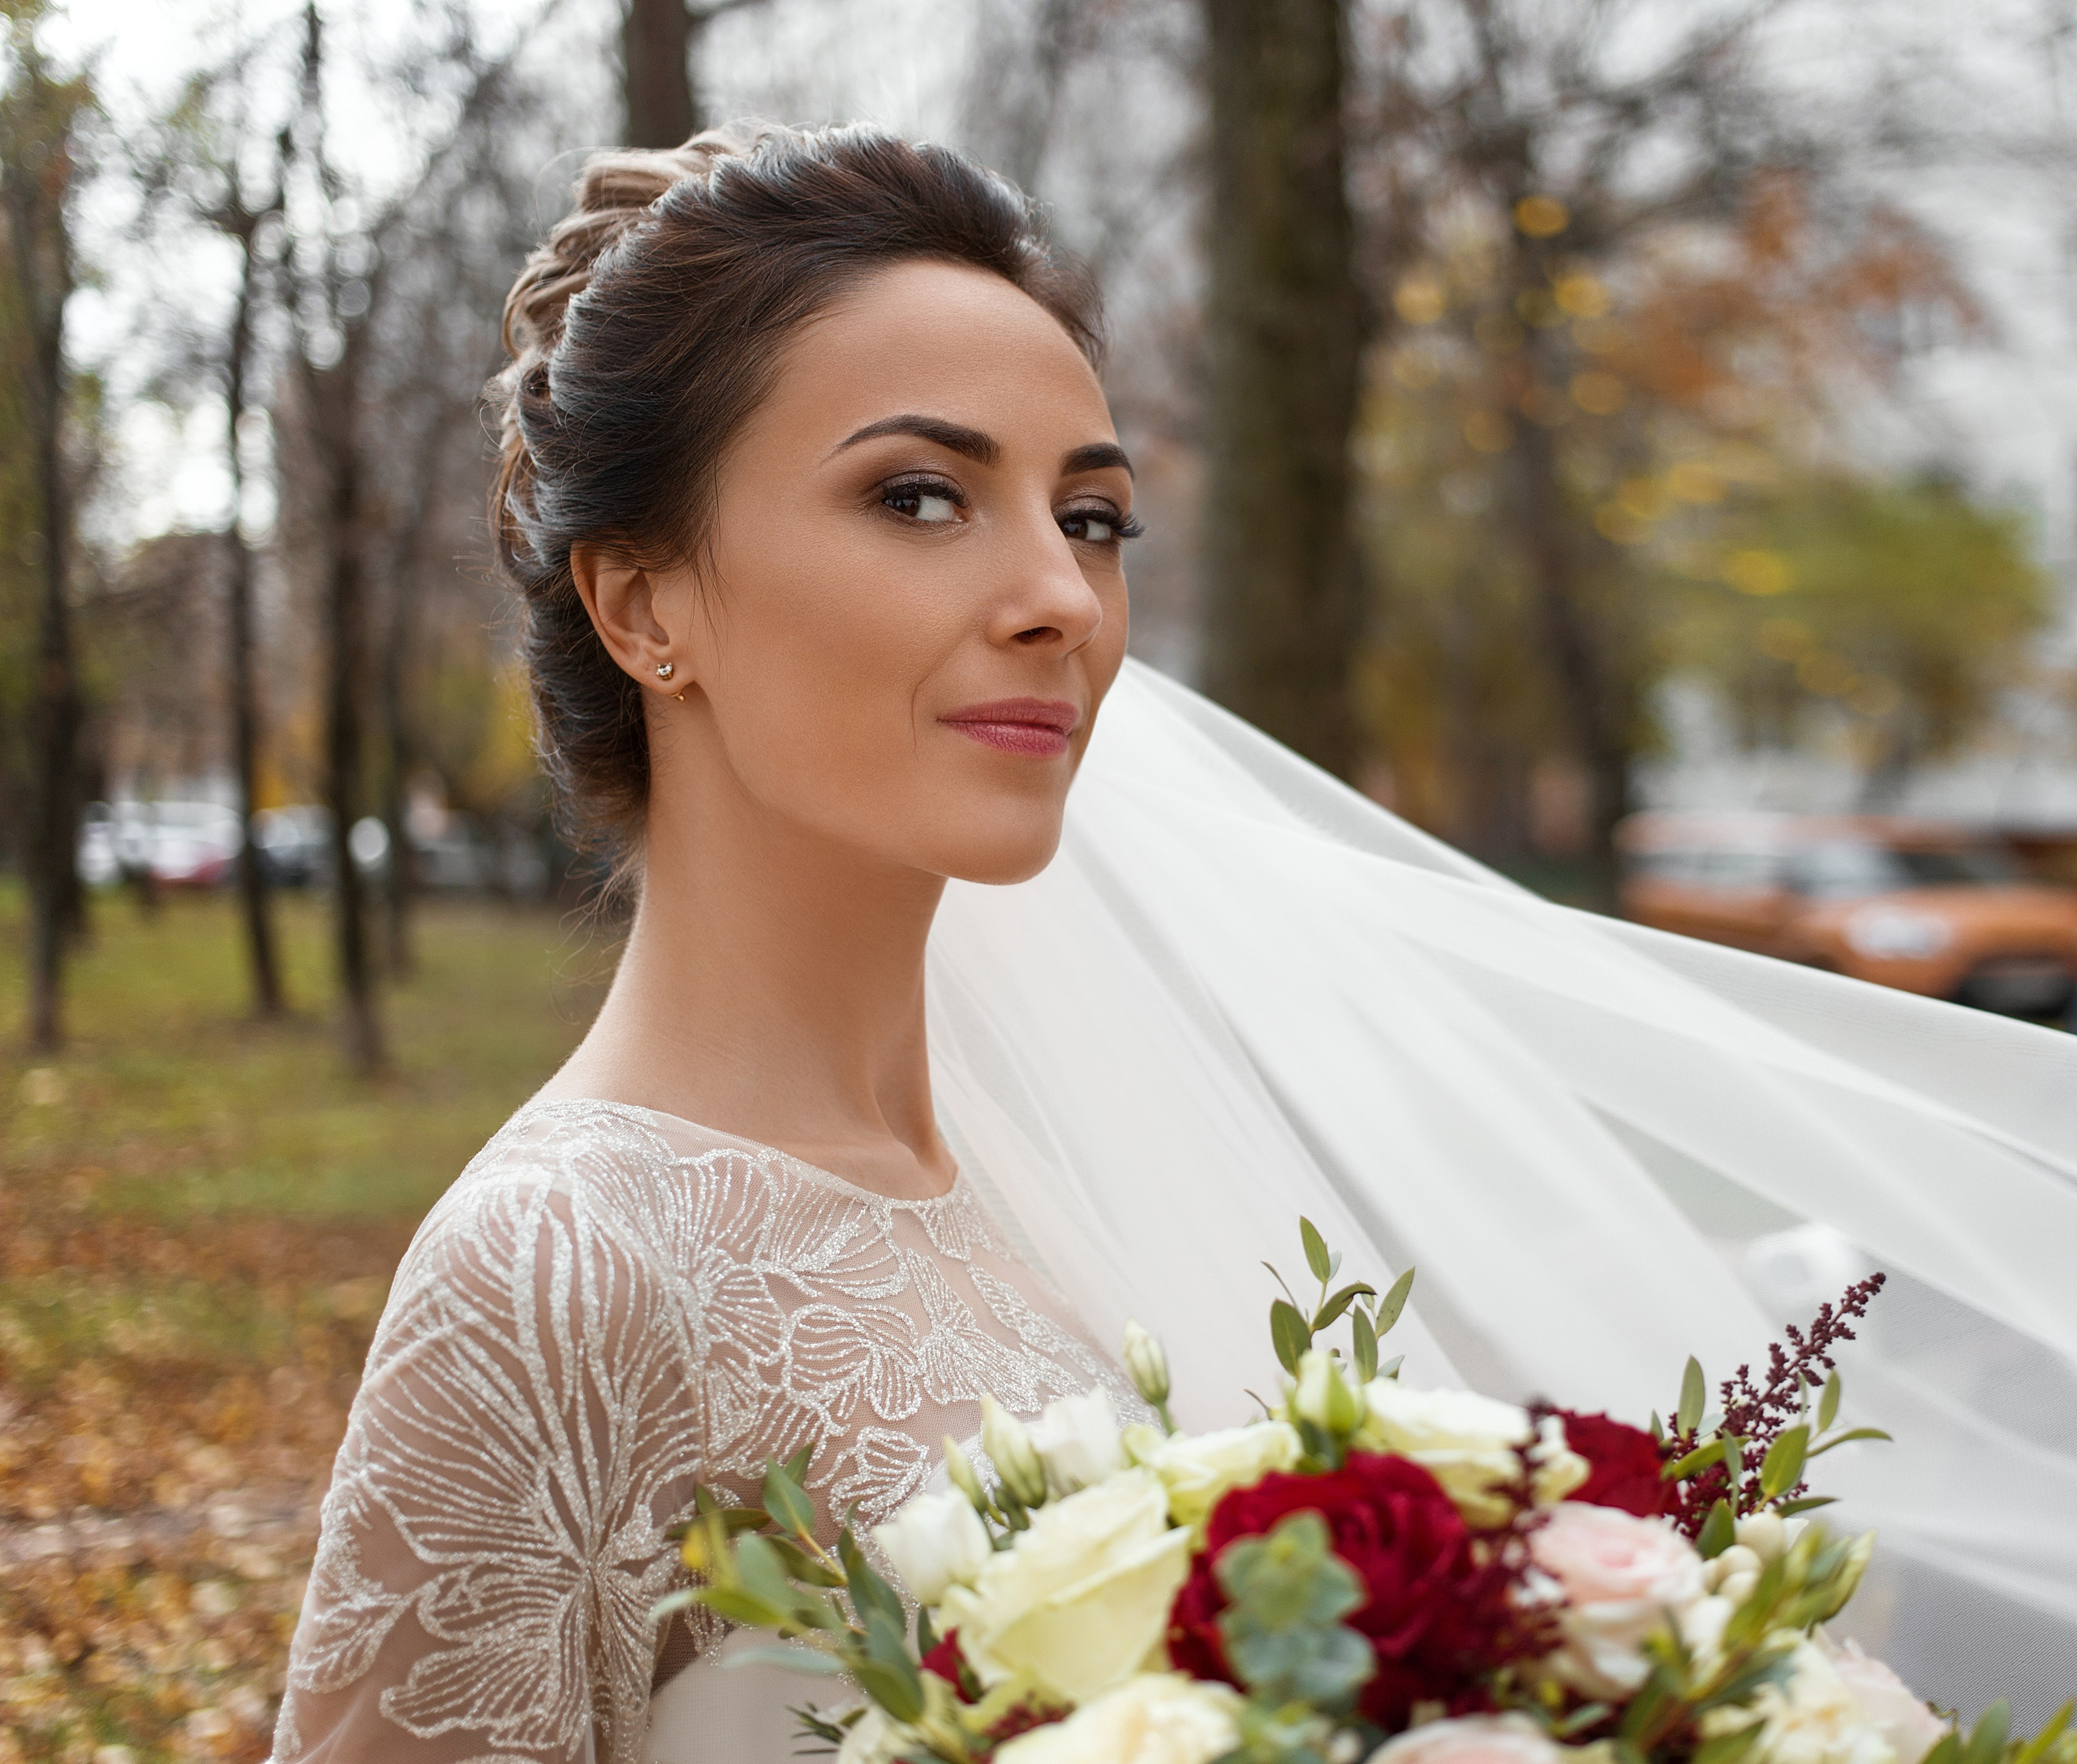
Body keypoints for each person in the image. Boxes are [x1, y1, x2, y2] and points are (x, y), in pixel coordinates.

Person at [272, 125, 2077, 1762]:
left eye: (1091, 517)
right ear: (644, 599)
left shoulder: (1089, 1158)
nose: (1061, 594)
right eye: (918, 495)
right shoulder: (555, 1281)